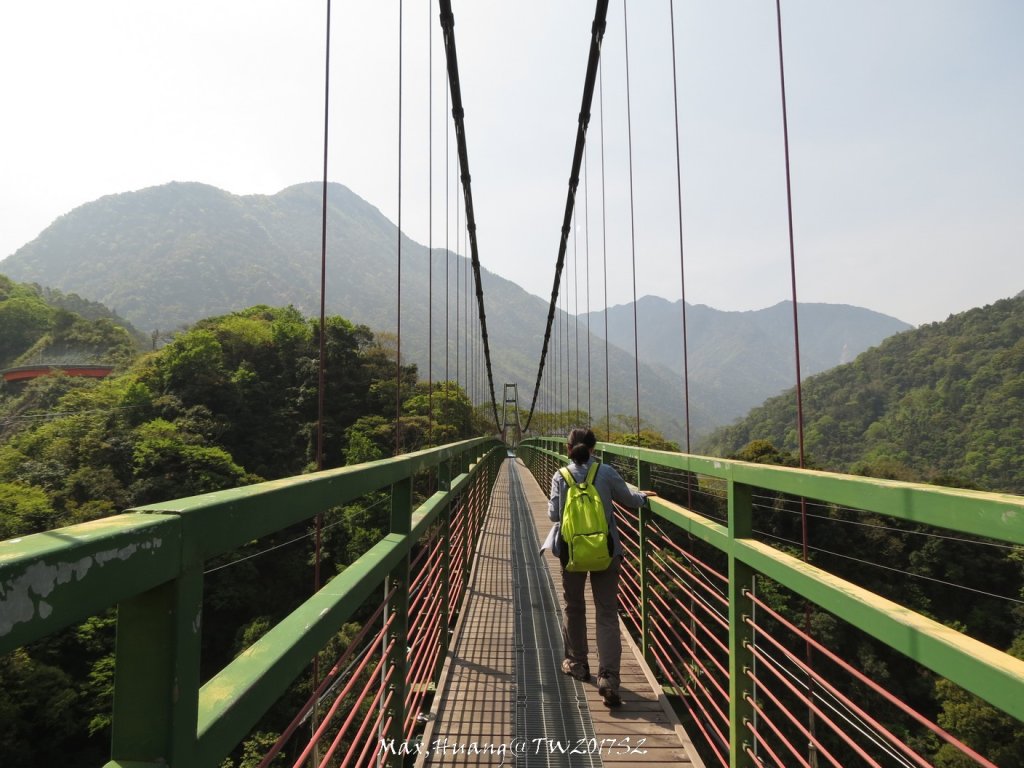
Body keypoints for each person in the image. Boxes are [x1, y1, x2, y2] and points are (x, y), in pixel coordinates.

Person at [544, 427, 655, 707]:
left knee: (574, 606)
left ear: (569, 449)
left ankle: (578, 663)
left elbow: (554, 514)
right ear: (594, 448)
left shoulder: (561, 475)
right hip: (607, 552)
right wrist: (642, 496)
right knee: (606, 611)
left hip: (572, 553)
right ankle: (609, 678)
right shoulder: (605, 473)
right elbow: (630, 501)